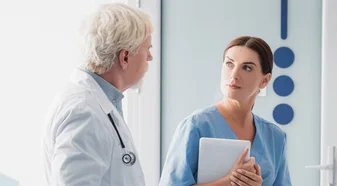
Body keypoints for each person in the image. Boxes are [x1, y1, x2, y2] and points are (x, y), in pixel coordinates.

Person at [42, 3, 153, 185]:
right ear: (125, 57)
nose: (150, 57)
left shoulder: (99, 103)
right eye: (148, 49)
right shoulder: (84, 112)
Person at [159, 36, 291, 186]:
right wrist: (230, 181)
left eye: (247, 67)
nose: (234, 75)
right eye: (229, 64)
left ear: (264, 80)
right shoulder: (196, 125)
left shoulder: (275, 137)